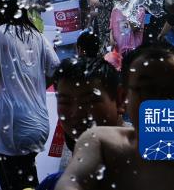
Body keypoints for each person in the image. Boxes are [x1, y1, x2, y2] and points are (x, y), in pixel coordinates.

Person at [57, 43, 174, 190]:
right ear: (124, 98)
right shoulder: (101, 143)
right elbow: (72, 183)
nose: (164, 101)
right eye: (149, 90)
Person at [0, 0, 60, 190]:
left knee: (11, 177)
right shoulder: (36, 35)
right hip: (38, 123)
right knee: (26, 173)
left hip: (13, 125)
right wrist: (38, 86)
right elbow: (57, 68)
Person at [37, 58, 122, 190]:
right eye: (65, 102)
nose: (76, 113)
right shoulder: (51, 185)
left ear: (120, 100)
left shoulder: (151, 173)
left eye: (89, 101)